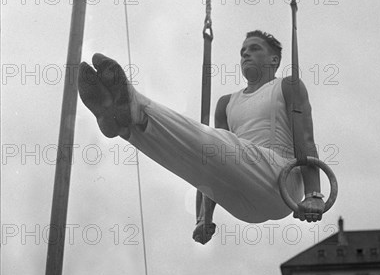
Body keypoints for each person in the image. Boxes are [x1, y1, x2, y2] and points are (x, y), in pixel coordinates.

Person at [78, 30, 323, 244]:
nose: (246, 54)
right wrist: (204, 216)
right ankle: (128, 127)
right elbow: (209, 165)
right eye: (242, 51)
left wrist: (313, 194)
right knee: (201, 154)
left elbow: (305, 138)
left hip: (283, 181)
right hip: (244, 205)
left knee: (217, 143)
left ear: (274, 59)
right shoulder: (227, 103)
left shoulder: (287, 86)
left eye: (254, 49)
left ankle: (138, 109)